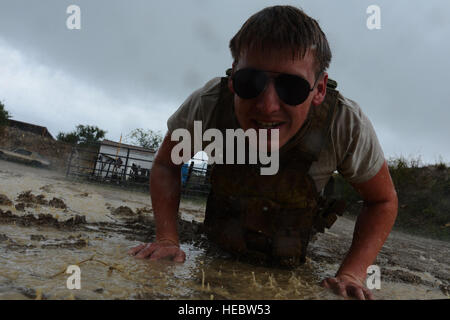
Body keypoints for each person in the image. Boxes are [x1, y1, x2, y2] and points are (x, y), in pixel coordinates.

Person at [128, 5, 398, 300]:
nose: (268, 106)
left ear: (319, 89)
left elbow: (382, 200)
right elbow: (167, 164)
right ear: (232, 80)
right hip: (217, 248)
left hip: (290, 261)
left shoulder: (344, 124)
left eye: (291, 88)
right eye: (250, 83)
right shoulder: (209, 105)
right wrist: (167, 238)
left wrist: (351, 273)